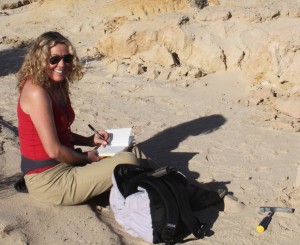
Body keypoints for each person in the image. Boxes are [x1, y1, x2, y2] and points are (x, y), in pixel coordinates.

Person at [17, 31, 147, 205]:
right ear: (40, 60)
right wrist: (87, 158)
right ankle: (163, 186)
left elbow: (60, 132)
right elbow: (54, 150)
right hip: (49, 180)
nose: (61, 64)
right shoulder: (36, 92)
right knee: (128, 160)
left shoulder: (58, 84)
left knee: (133, 150)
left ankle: (171, 180)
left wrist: (88, 140)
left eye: (67, 59)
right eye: (54, 59)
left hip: (66, 164)